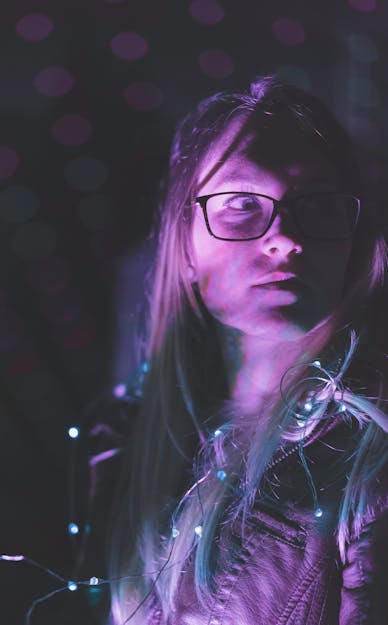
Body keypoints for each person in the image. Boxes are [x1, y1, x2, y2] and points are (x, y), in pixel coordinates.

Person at [76, 76, 388, 625]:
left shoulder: (369, 461)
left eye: (316, 204)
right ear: (185, 244)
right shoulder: (117, 442)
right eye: (242, 203)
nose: (285, 238)